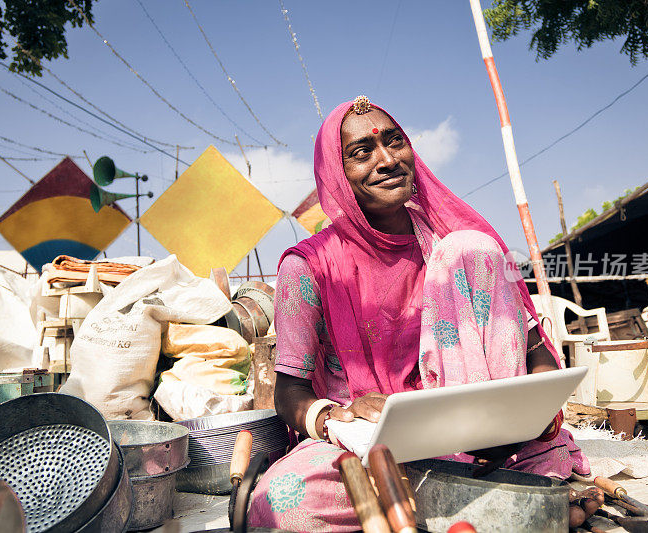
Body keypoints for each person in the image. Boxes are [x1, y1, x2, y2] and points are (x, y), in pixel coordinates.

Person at [248, 97, 600, 531]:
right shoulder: (307, 266)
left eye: (396, 143)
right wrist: (331, 420)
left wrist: (531, 413)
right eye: (362, 153)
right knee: (278, 502)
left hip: (484, 442)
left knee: (473, 249)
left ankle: (447, 498)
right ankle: (488, 502)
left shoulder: (459, 246)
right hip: (370, 445)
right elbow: (290, 391)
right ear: (337, 175)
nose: (388, 160)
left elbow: (534, 351)